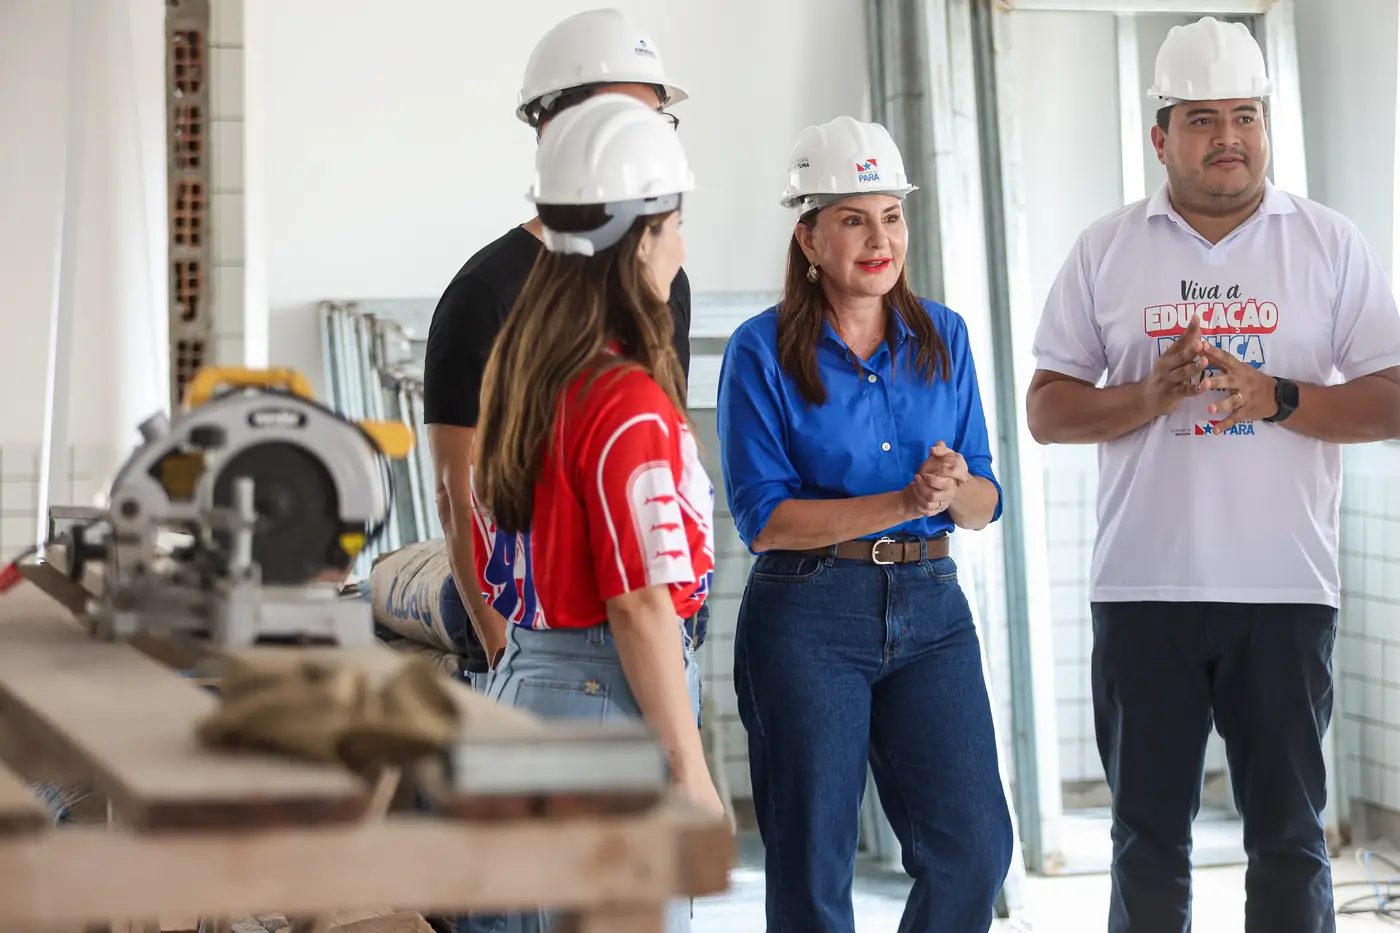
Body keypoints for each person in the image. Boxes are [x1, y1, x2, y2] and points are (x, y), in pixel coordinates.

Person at [1027, 16, 1400, 933]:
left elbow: (1392, 398)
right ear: (1160, 136)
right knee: (1146, 837)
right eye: (1202, 118)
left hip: (1283, 589)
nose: (1228, 136)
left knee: (1288, 836)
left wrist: (1277, 395)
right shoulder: (1107, 249)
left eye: (1246, 114)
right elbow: (1045, 408)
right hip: (1142, 589)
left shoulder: (1329, 244)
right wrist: (1145, 397)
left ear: (1267, 124)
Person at [716, 115, 1013, 933]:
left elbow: (987, 501)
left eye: (890, 216)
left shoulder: (943, 336)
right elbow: (766, 517)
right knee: (813, 865)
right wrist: (904, 502)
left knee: (975, 846)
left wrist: (952, 488)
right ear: (809, 237)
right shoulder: (761, 350)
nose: (878, 238)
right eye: (852, 218)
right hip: (810, 613)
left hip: (933, 608)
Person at [470, 93, 723, 933]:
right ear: (640, 236)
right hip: (608, 701)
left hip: (535, 687)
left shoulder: (529, 370)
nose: (682, 248)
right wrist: (690, 772)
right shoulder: (624, 399)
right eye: (675, 224)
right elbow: (639, 602)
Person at [423, 8, 705, 694]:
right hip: (545, 647)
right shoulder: (486, 293)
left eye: (654, 120)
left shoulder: (668, 284)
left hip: (653, 642)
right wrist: (499, 653)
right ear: (556, 127)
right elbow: (460, 495)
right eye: (625, 118)